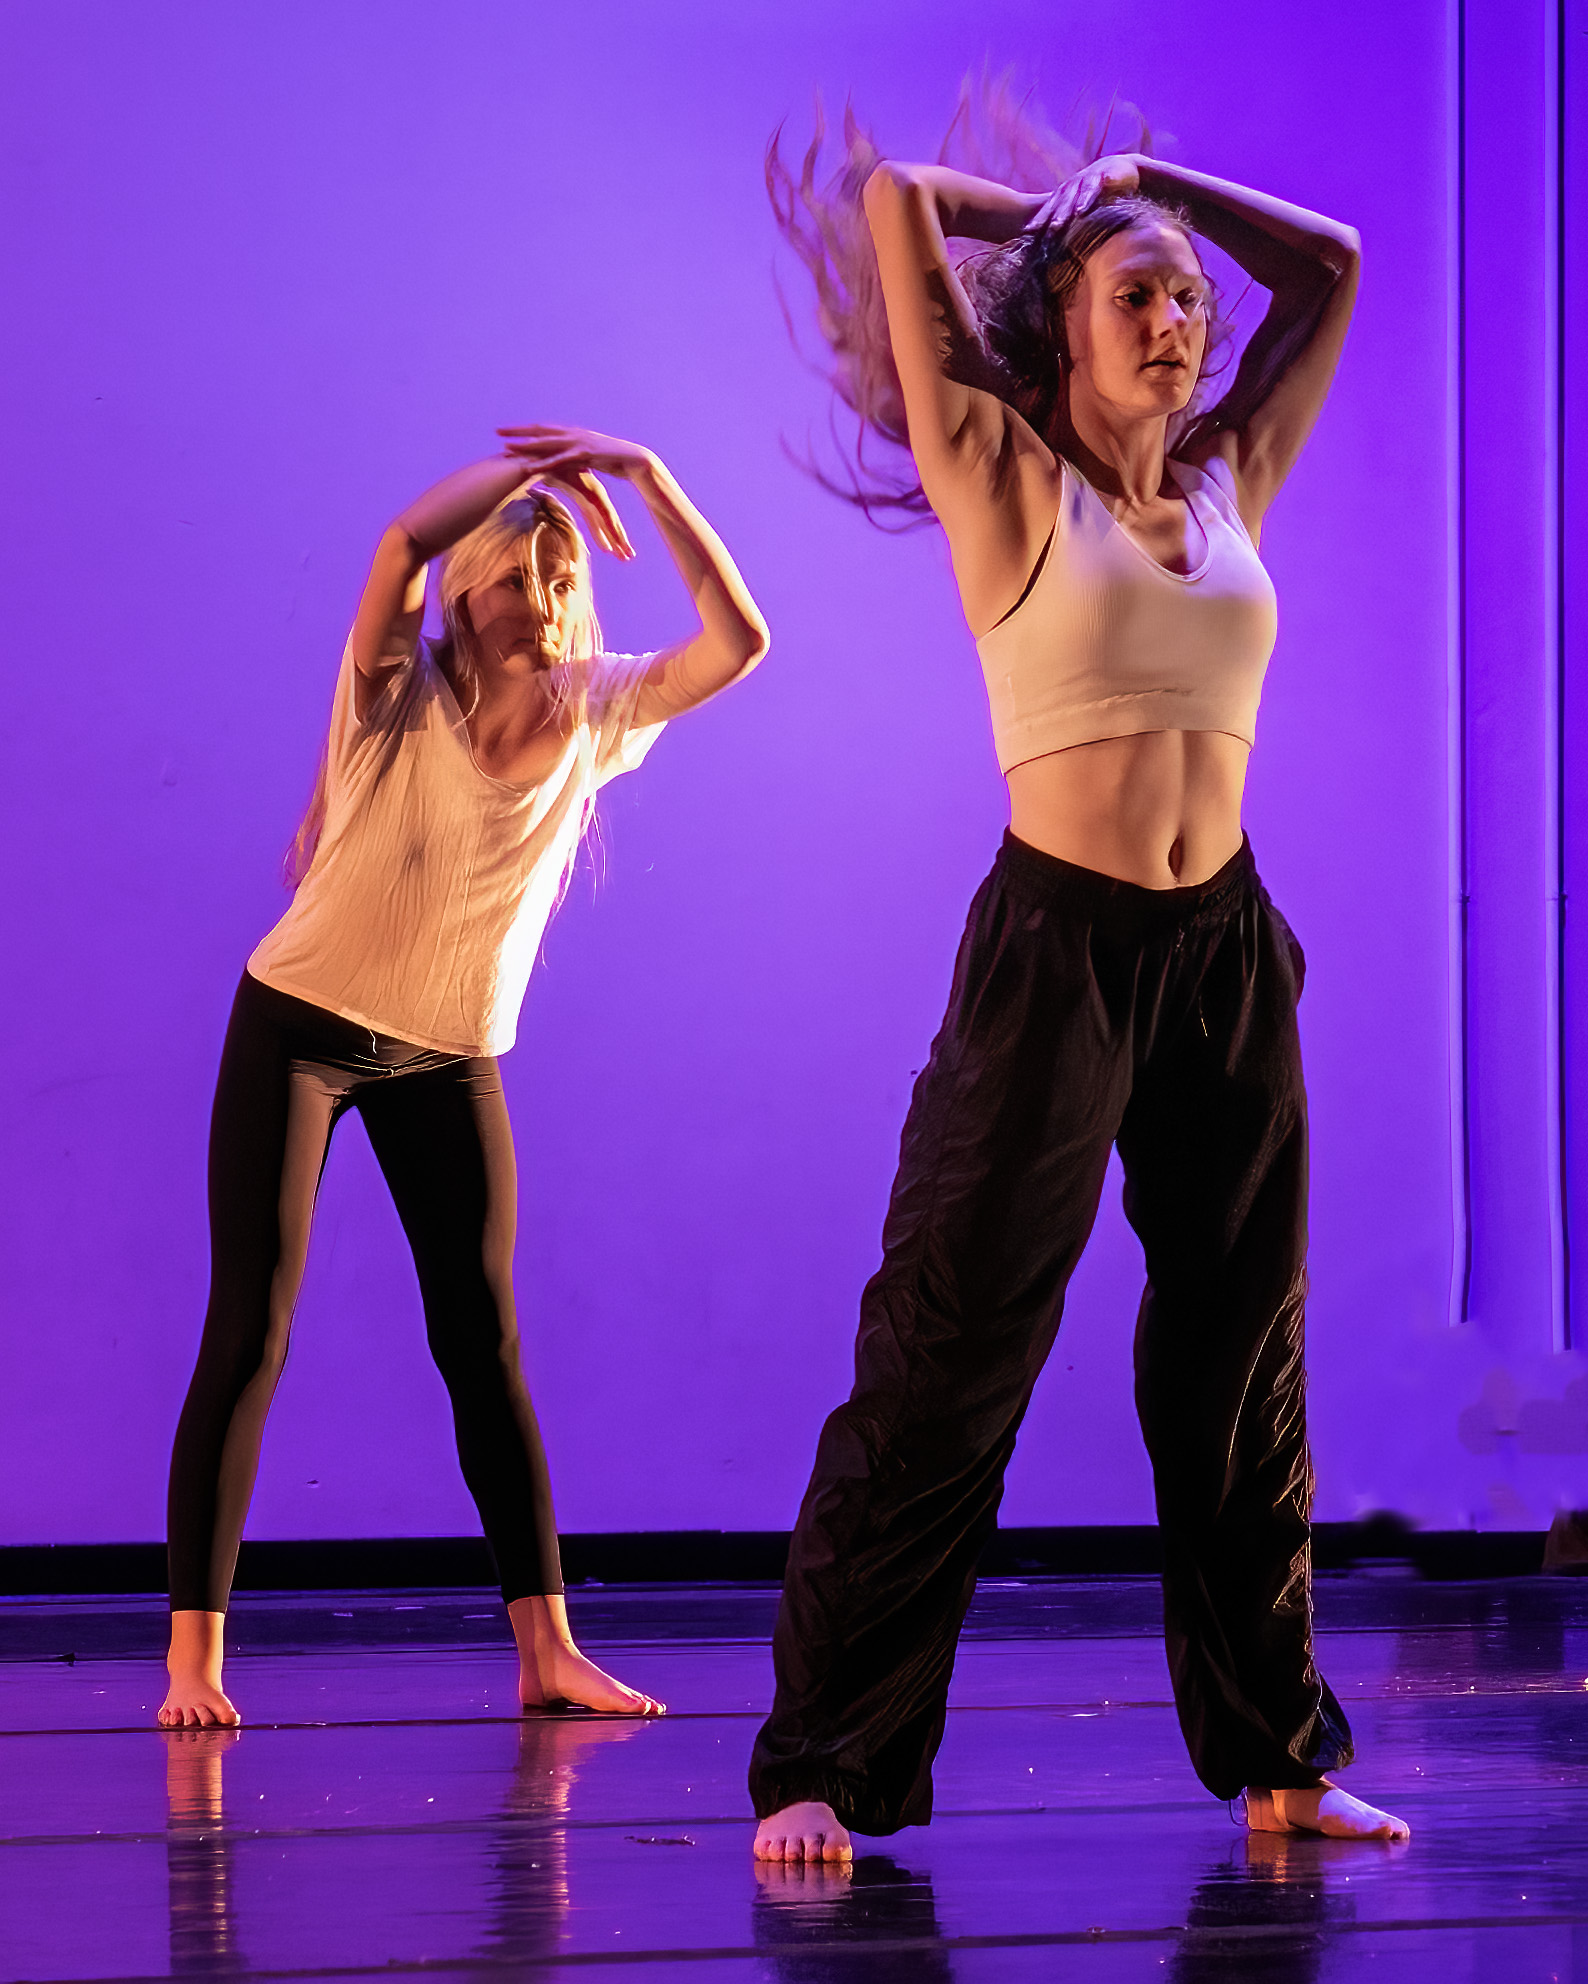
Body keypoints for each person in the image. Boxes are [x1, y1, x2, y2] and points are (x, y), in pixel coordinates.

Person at [749, 105, 1409, 1857]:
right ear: (1063, 319)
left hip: (1227, 954)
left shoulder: (1227, 478)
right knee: (950, 1348)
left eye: (1188, 298)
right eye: (1139, 295)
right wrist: (1072, 206)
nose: (1178, 319)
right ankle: (825, 1762)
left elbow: (1333, 266)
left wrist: (1162, 192)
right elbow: (900, 196)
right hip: (1058, 956)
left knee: (1241, 1356)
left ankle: (1280, 1755)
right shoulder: (1001, 471)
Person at [160, 426, 769, 1728]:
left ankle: (548, 1652)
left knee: (483, 1343)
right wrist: (531, 479)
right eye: (517, 576)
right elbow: (401, 542)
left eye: (562, 577)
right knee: (252, 1327)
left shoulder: (597, 714)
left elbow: (739, 643)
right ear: (467, 593)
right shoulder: (395, 690)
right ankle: (192, 1664)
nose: (543, 597)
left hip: (449, 1053)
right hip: (301, 1027)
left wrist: (649, 480)